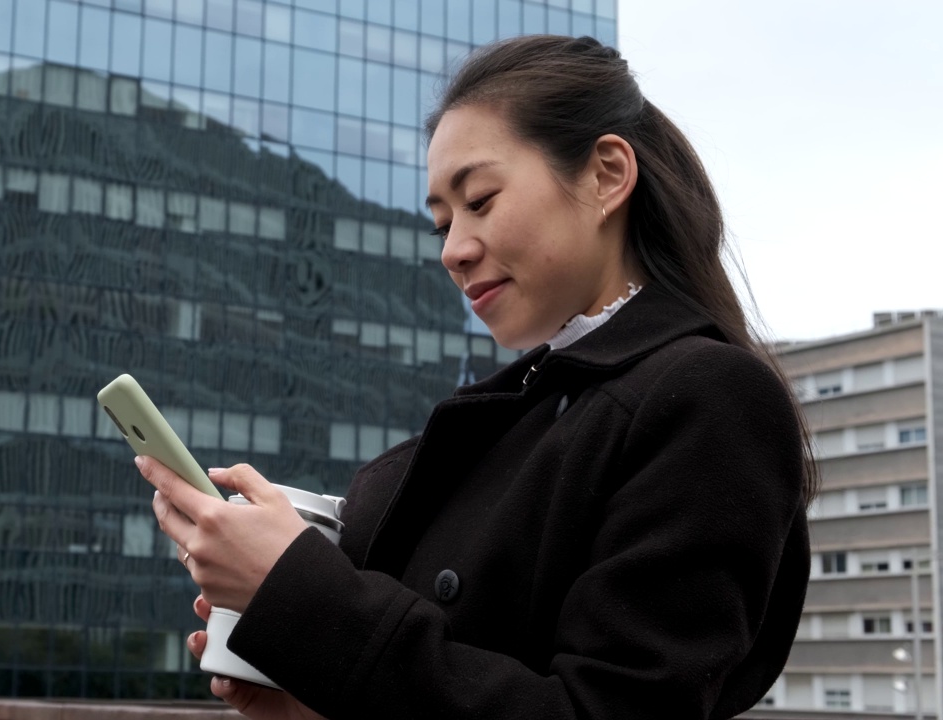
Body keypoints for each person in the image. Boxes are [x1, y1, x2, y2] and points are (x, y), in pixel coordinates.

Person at [136, 34, 814, 720]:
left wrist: (297, 592)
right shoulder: (514, 415)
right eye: (441, 225)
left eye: (481, 200)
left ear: (606, 174)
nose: (454, 250)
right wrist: (314, 700)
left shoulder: (707, 397)